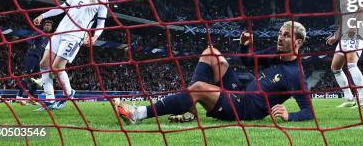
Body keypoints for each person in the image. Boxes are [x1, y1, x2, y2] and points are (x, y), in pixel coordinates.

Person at [112, 21, 314, 124]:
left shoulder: (295, 74)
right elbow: (247, 61)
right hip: (241, 92)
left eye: (286, 36)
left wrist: (290, 115)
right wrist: (245, 47)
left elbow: (309, 112)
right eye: (280, 33)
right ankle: (189, 110)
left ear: (298, 42)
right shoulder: (275, 54)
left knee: (199, 88)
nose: (280, 38)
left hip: (246, 110)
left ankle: (138, 113)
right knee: (211, 52)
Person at [33, 0, 109, 110]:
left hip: (75, 37)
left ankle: (69, 94)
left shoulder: (103, 1)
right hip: (59, 32)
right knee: (44, 64)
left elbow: (101, 23)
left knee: (56, 68)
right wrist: (43, 15)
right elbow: (62, 7)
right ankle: (50, 100)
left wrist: (95, 36)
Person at [325, 0, 363, 108]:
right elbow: (343, 19)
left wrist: (353, 27)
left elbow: (362, 9)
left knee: (351, 65)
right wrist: (336, 36)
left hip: (355, 33)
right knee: (335, 67)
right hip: (344, 36)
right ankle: (349, 99)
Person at [16, 19, 53, 105]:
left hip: (38, 59)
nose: (48, 26)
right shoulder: (39, 32)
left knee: (36, 79)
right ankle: (19, 96)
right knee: (27, 75)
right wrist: (33, 44)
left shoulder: (48, 38)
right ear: (44, 26)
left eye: (49, 25)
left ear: (51, 28)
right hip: (32, 56)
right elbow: (29, 39)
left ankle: (31, 98)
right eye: (46, 25)